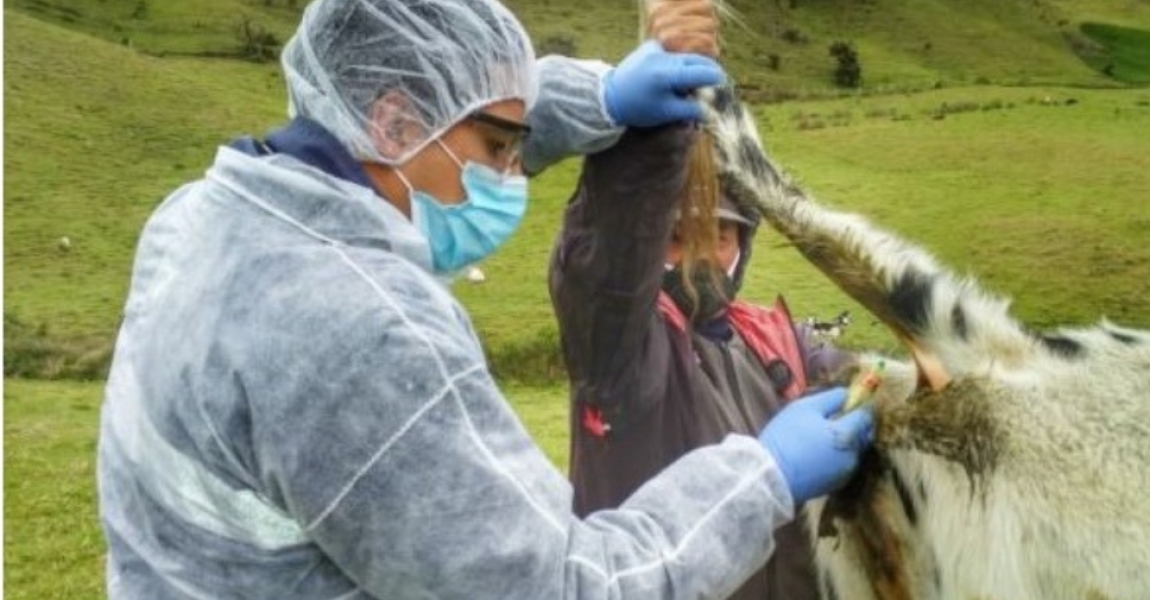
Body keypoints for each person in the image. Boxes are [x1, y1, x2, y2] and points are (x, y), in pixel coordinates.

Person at [97, 1, 874, 598]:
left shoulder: (201, 215)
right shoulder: (360, 333)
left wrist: (603, 97)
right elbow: (563, 586)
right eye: (501, 149)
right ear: (393, 121)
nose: (511, 176)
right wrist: (765, 476)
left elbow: (459, 114)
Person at [549, 73, 861, 600]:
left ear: (742, 242)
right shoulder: (624, 356)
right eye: (676, 236)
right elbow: (604, 275)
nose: (699, 254)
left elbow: (871, 383)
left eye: (718, 235)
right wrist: (646, 149)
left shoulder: (776, 341)